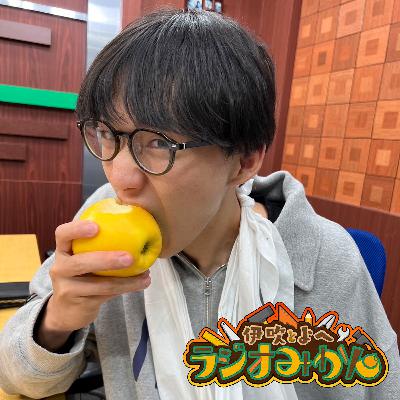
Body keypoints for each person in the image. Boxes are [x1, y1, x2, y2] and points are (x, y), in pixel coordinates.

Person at [0, 8, 399, 400]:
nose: (120, 176)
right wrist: (57, 320)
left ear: (244, 160)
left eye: (159, 143)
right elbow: (18, 381)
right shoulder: (100, 224)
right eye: (106, 134)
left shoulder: (326, 259)